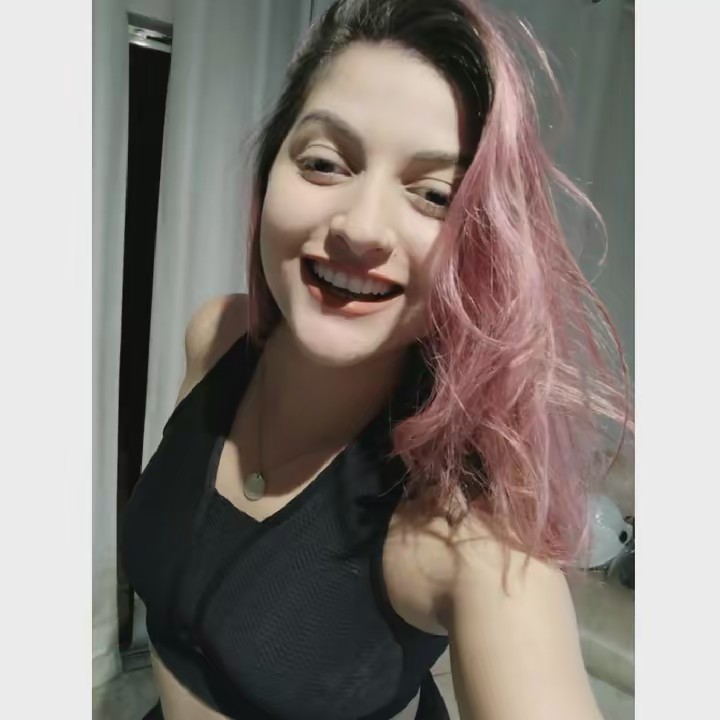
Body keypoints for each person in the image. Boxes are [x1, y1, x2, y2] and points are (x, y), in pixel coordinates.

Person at [122, 0, 630, 718]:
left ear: (482, 246)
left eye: (434, 196)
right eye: (324, 162)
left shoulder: (463, 530)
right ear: (269, 173)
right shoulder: (215, 335)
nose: (361, 229)